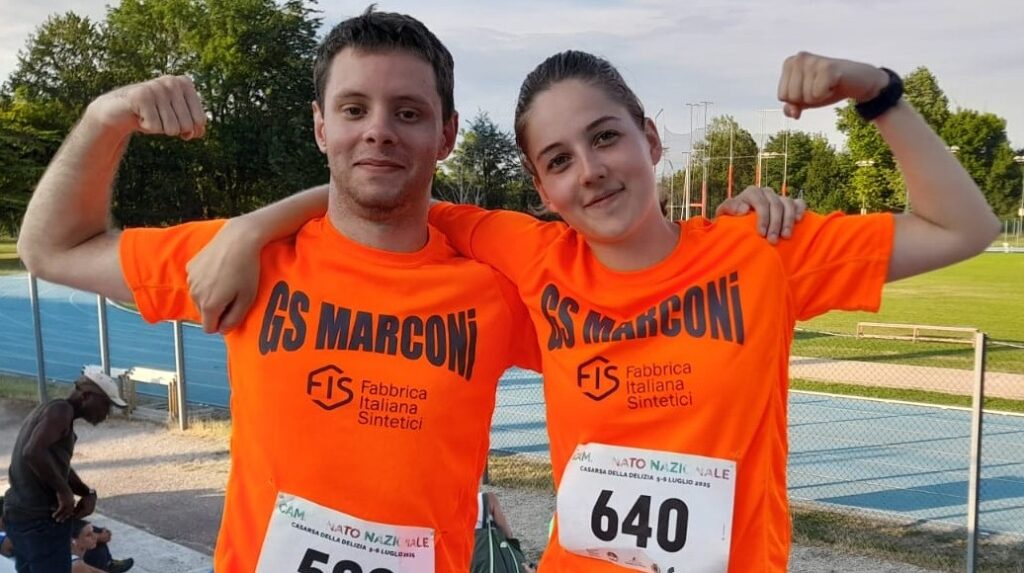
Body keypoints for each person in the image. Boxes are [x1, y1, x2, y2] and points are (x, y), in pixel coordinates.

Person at [190, 49, 999, 572]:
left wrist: (877, 93)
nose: (590, 171)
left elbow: (963, 225)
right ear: (542, 189)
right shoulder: (532, 255)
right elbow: (380, 190)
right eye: (559, 160)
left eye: (606, 137)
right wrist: (253, 227)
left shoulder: (760, 253)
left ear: (651, 138)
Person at [16, 7, 549, 572]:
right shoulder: (244, 259)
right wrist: (104, 119)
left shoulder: (494, 290)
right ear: (320, 126)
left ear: (447, 135)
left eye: (408, 112)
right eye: (354, 109)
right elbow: (51, 248)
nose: (378, 129)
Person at [3, 372, 126, 573]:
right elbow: (32, 452)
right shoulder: (61, 411)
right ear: (86, 396)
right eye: (105, 404)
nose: (107, 413)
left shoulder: (54, 412)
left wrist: (86, 492)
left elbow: (56, 465)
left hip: (22, 516)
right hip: (39, 521)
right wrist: (64, 491)